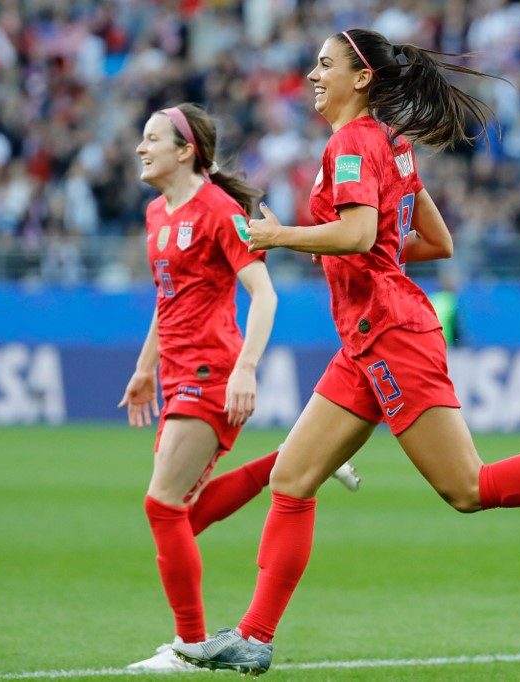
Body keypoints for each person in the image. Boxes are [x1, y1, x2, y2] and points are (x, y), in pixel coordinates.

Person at [173, 29, 520, 676]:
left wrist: (281, 234)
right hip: (367, 340)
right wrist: (359, 250)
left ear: (361, 78)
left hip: (391, 337)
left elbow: (362, 231)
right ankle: (254, 636)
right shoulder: (390, 144)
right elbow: (435, 240)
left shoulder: (350, 145)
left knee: (468, 487)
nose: (312, 74)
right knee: (292, 479)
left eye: (324, 64)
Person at [120, 103, 360, 673]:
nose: (139, 147)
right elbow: (168, 297)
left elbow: (265, 293)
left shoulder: (218, 210)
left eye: (151, 138)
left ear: (187, 151)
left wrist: (246, 368)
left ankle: (192, 646)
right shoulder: (157, 214)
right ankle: (303, 457)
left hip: (211, 372)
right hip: (175, 372)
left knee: (162, 507)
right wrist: (144, 368)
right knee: (187, 515)